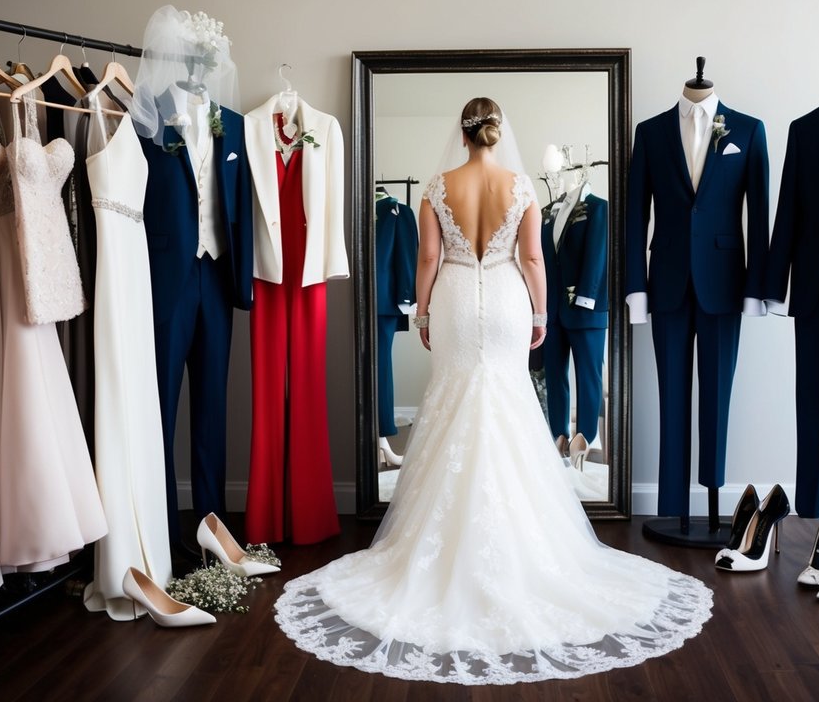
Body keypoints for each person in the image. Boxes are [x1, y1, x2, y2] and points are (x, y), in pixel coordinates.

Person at [274, 98, 712, 684]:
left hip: (456, 300)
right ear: (499, 134)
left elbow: (428, 257)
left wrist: (424, 315)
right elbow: (532, 256)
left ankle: (442, 546)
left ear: (462, 133)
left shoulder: (436, 185)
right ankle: (521, 544)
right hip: (506, 301)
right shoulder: (521, 185)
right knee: (507, 404)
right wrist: (540, 312)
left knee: (454, 401)